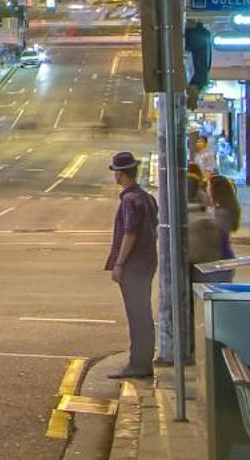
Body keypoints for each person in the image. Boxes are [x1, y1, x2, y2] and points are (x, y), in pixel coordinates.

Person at [106, 150, 158, 380]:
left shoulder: (129, 200)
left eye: (116, 172)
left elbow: (130, 233)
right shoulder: (146, 197)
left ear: (121, 174)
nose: (115, 176)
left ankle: (138, 363)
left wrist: (119, 264)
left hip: (134, 265)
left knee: (136, 315)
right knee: (143, 314)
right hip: (147, 262)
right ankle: (142, 360)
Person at [212, 173, 243, 262]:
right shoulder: (226, 209)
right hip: (225, 258)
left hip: (221, 261)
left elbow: (218, 240)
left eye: (208, 186)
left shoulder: (221, 213)